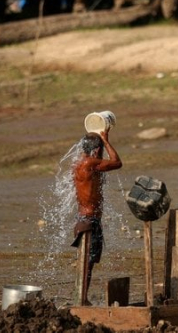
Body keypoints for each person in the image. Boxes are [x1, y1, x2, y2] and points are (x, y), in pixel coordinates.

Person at [71, 129, 122, 305]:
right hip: (90, 220)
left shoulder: (79, 164)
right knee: (89, 263)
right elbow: (117, 162)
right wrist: (107, 141)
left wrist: (101, 141)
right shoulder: (90, 164)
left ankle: (82, 297)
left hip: (84, 218)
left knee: (88, 261)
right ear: (96, 150)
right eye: (100, 149)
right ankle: (82, 299)